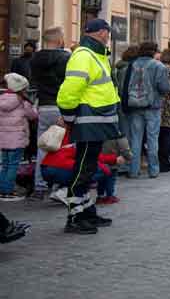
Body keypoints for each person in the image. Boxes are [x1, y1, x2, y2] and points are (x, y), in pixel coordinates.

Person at [56, 18, 121, 234]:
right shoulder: (84, 55)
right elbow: (71, 88)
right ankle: (75, 217)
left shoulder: (95, 54)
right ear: (101, 32)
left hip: (96, 120)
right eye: (107, 32)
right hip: (88, 120)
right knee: (83, 169)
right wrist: (67, 115)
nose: (108, 36)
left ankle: (86, 211)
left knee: (89, 167)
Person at [28, 27, 70, 200]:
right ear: (59, 39)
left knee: (44, 146)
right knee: (65, 147)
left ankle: (39, 186)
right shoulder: (65, 57)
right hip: (62, 106)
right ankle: (60, 186)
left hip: (44, 106)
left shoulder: (35, 58)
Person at [122, 42, 170, 179]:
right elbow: (164, 87)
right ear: (154, 51)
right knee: (152, 139)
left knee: (135, 140)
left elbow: (126, 86)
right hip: (153, 107)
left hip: (135, 106)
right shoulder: (158, 66)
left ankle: (133, 170)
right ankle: (153, 170)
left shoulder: (132, 64)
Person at [40, 128, 121, 204]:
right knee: (97, 171)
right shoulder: (83, 137)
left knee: (78, 169)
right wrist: (113, 161)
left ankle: (60, 190)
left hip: (45, 168)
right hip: (58, 169)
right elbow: (91, 157)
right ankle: (66, 192)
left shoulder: (70, 133)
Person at [0, 73, 38, 201]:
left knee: (5, 165)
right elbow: (32, 116)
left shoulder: (1, 99)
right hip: (17, 139)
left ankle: (2, 189)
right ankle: (8, 191)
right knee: (13, 166)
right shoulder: (22, 102)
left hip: (3, 139)